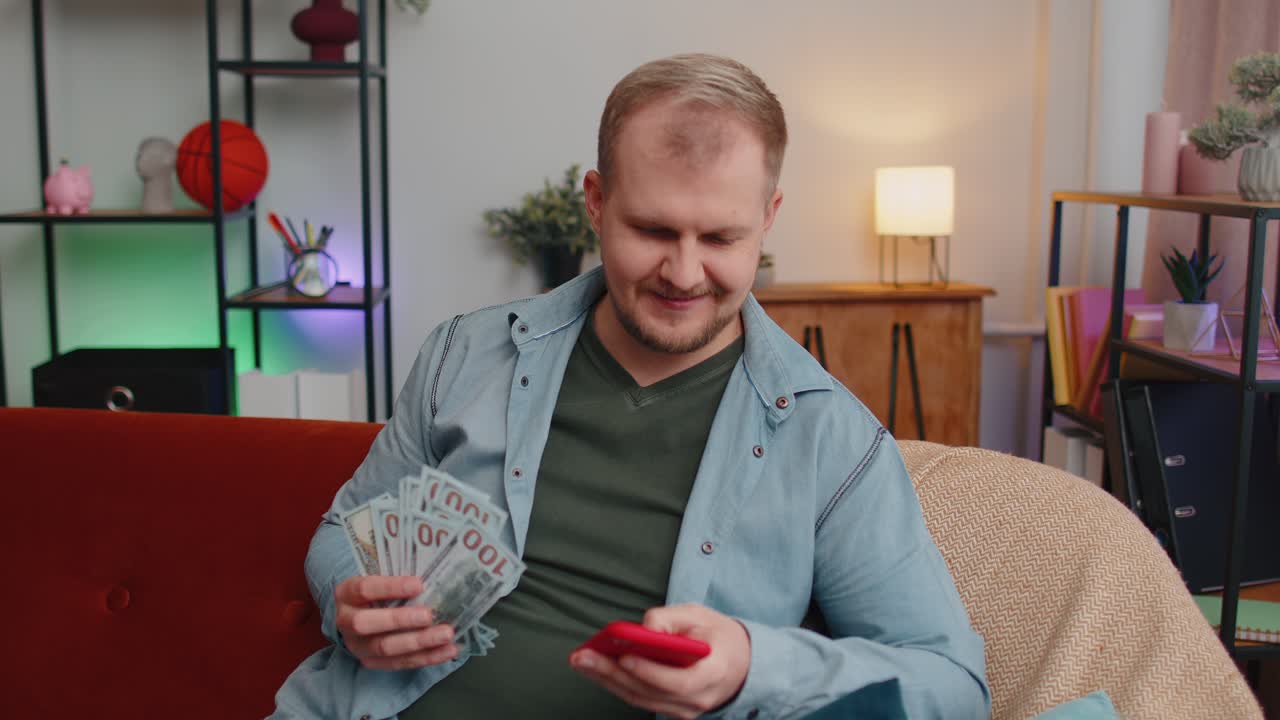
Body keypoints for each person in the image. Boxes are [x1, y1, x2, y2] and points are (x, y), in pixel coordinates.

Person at [271, 53, 989, 720]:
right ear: (596, 201)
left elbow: (952, 683)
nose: (684, 274)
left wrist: (752, 666)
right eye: (652, 230)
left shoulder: (830, 436)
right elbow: (346, 531)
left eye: (721, 239)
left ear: (768, 218)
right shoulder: (464, 353)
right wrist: (350, 600)